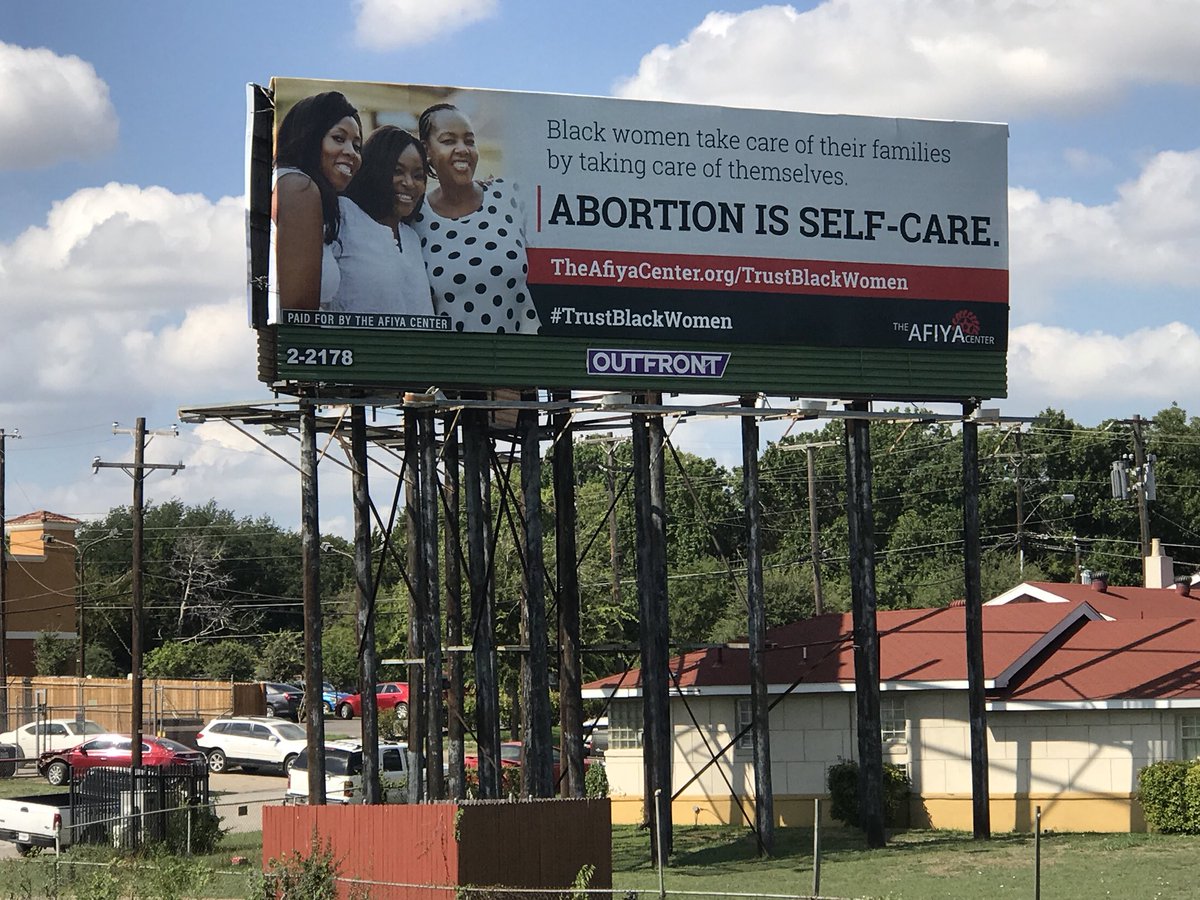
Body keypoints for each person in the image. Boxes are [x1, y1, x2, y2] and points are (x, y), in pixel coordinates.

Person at [411, 103, 541, 334]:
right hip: (455, 356)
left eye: (469, 141)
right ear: (426, 150)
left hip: (524, 353)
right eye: (448, 141)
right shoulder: (414, 219)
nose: (463, 149)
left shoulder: (511, 196)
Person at [272, 91, 362, 311]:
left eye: (357, 146)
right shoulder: (299, 187)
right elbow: (299, 312)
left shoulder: (302, 189)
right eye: (338, 138)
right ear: (310, 137)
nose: (351, 153)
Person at [330, 126, 434, 315]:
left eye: (418, 176)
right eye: (397, 171)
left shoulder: (411, 237)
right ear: (375, 171)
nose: (409, 183)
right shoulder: (344, 215)